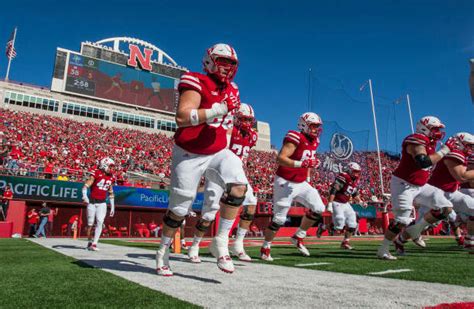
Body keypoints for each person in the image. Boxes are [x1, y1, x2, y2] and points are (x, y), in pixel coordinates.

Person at [156, 43, 248, 276]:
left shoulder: (233, 89)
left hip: (217, 150)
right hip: (189, 152)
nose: (227, 67)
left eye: (232, 63)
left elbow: (226, 128)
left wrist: (226, 154)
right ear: (209, 61)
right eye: (223, 61)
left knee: (239, 187)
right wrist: (219, 110)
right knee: (179, 208)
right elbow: (182, 116)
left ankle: (221, 241)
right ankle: (163, 250)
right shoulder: (195, 80)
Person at [187, 103, 258, 263]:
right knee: (209, 213)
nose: (247, 123)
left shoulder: (252, 135)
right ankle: (195, 245)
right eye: (244, 119)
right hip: (220, 171)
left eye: (249, 120)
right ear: (236, 118)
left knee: (252, 203)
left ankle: (237, 243)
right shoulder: (229, 130)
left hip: (237, 175)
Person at [377, 116, 453, 260]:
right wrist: (444, 151)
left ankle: (415, 230)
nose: (438, 133)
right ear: (425, 128)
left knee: (445, 208)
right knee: (401, 221)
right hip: (404, 185)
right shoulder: (416, 139)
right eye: (435, 129)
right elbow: (423, 162)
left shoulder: (429, 142)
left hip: (421, 186)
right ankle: (383, 249)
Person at [260, 112, 325, 261]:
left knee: (319, 208)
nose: (316, 129)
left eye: (317, 126)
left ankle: (298, 236)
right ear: (304, 125)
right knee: (279, 219)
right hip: (285, 181)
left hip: (301, 182)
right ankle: (265, 246)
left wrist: (308, 176)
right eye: (313, 126)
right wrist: (302, 164)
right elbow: (281, 158)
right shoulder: (295, 137)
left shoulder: (315, 141)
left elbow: (309, 161)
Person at [395, 132, 474, 254]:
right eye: (469, 145)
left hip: (451, 192)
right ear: (460, 143)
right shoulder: (453, 154)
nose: (471, 149)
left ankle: (469, 241)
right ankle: (400, 240)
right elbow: (462, 177)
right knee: (422, 225)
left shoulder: (460, 154)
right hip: (438, 193)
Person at [324, 162, 365, 250]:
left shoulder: (354, 180)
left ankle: (345, 242)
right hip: (337, 202)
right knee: (339, 225)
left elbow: (354, 194)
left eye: (358, 172)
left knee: (353, 224)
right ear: (350, 170)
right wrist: (330, 203)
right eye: (355, 171)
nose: (357, 174)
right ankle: (323, 227)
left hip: (346, 203)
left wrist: (361, 202)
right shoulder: (344, 176)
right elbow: (334, 190)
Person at [82, 157, 116, 251]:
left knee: (100, 222)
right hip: (92, 202)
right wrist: (84, 195)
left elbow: (111, 192)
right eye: (111, 166)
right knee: (90, 224)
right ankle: (89, 241)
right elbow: (86, 185)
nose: (112, 169)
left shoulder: (111, 177)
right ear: (104, 165)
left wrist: (113, 206)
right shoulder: (96, 173)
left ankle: (94, 243)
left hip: (102, 203)